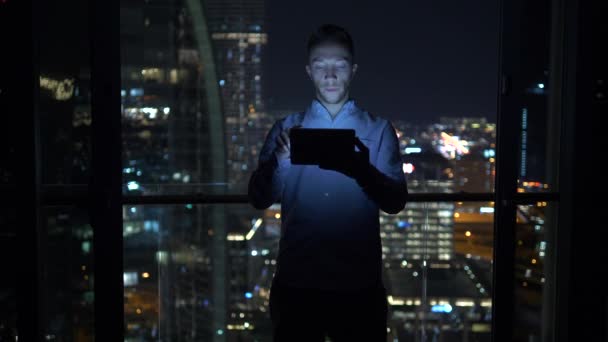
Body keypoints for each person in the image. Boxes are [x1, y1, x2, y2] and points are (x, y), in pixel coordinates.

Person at [248, 24, 408, 342]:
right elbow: (259, 197)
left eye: (340, 65)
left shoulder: (378, 131)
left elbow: (395, 202)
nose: (331, 75)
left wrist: (360, 170)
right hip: (299, 283)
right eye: (321, 65)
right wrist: (280, 162)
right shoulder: (286, 130)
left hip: (356, 286)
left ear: (353, 70)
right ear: (309, 71)